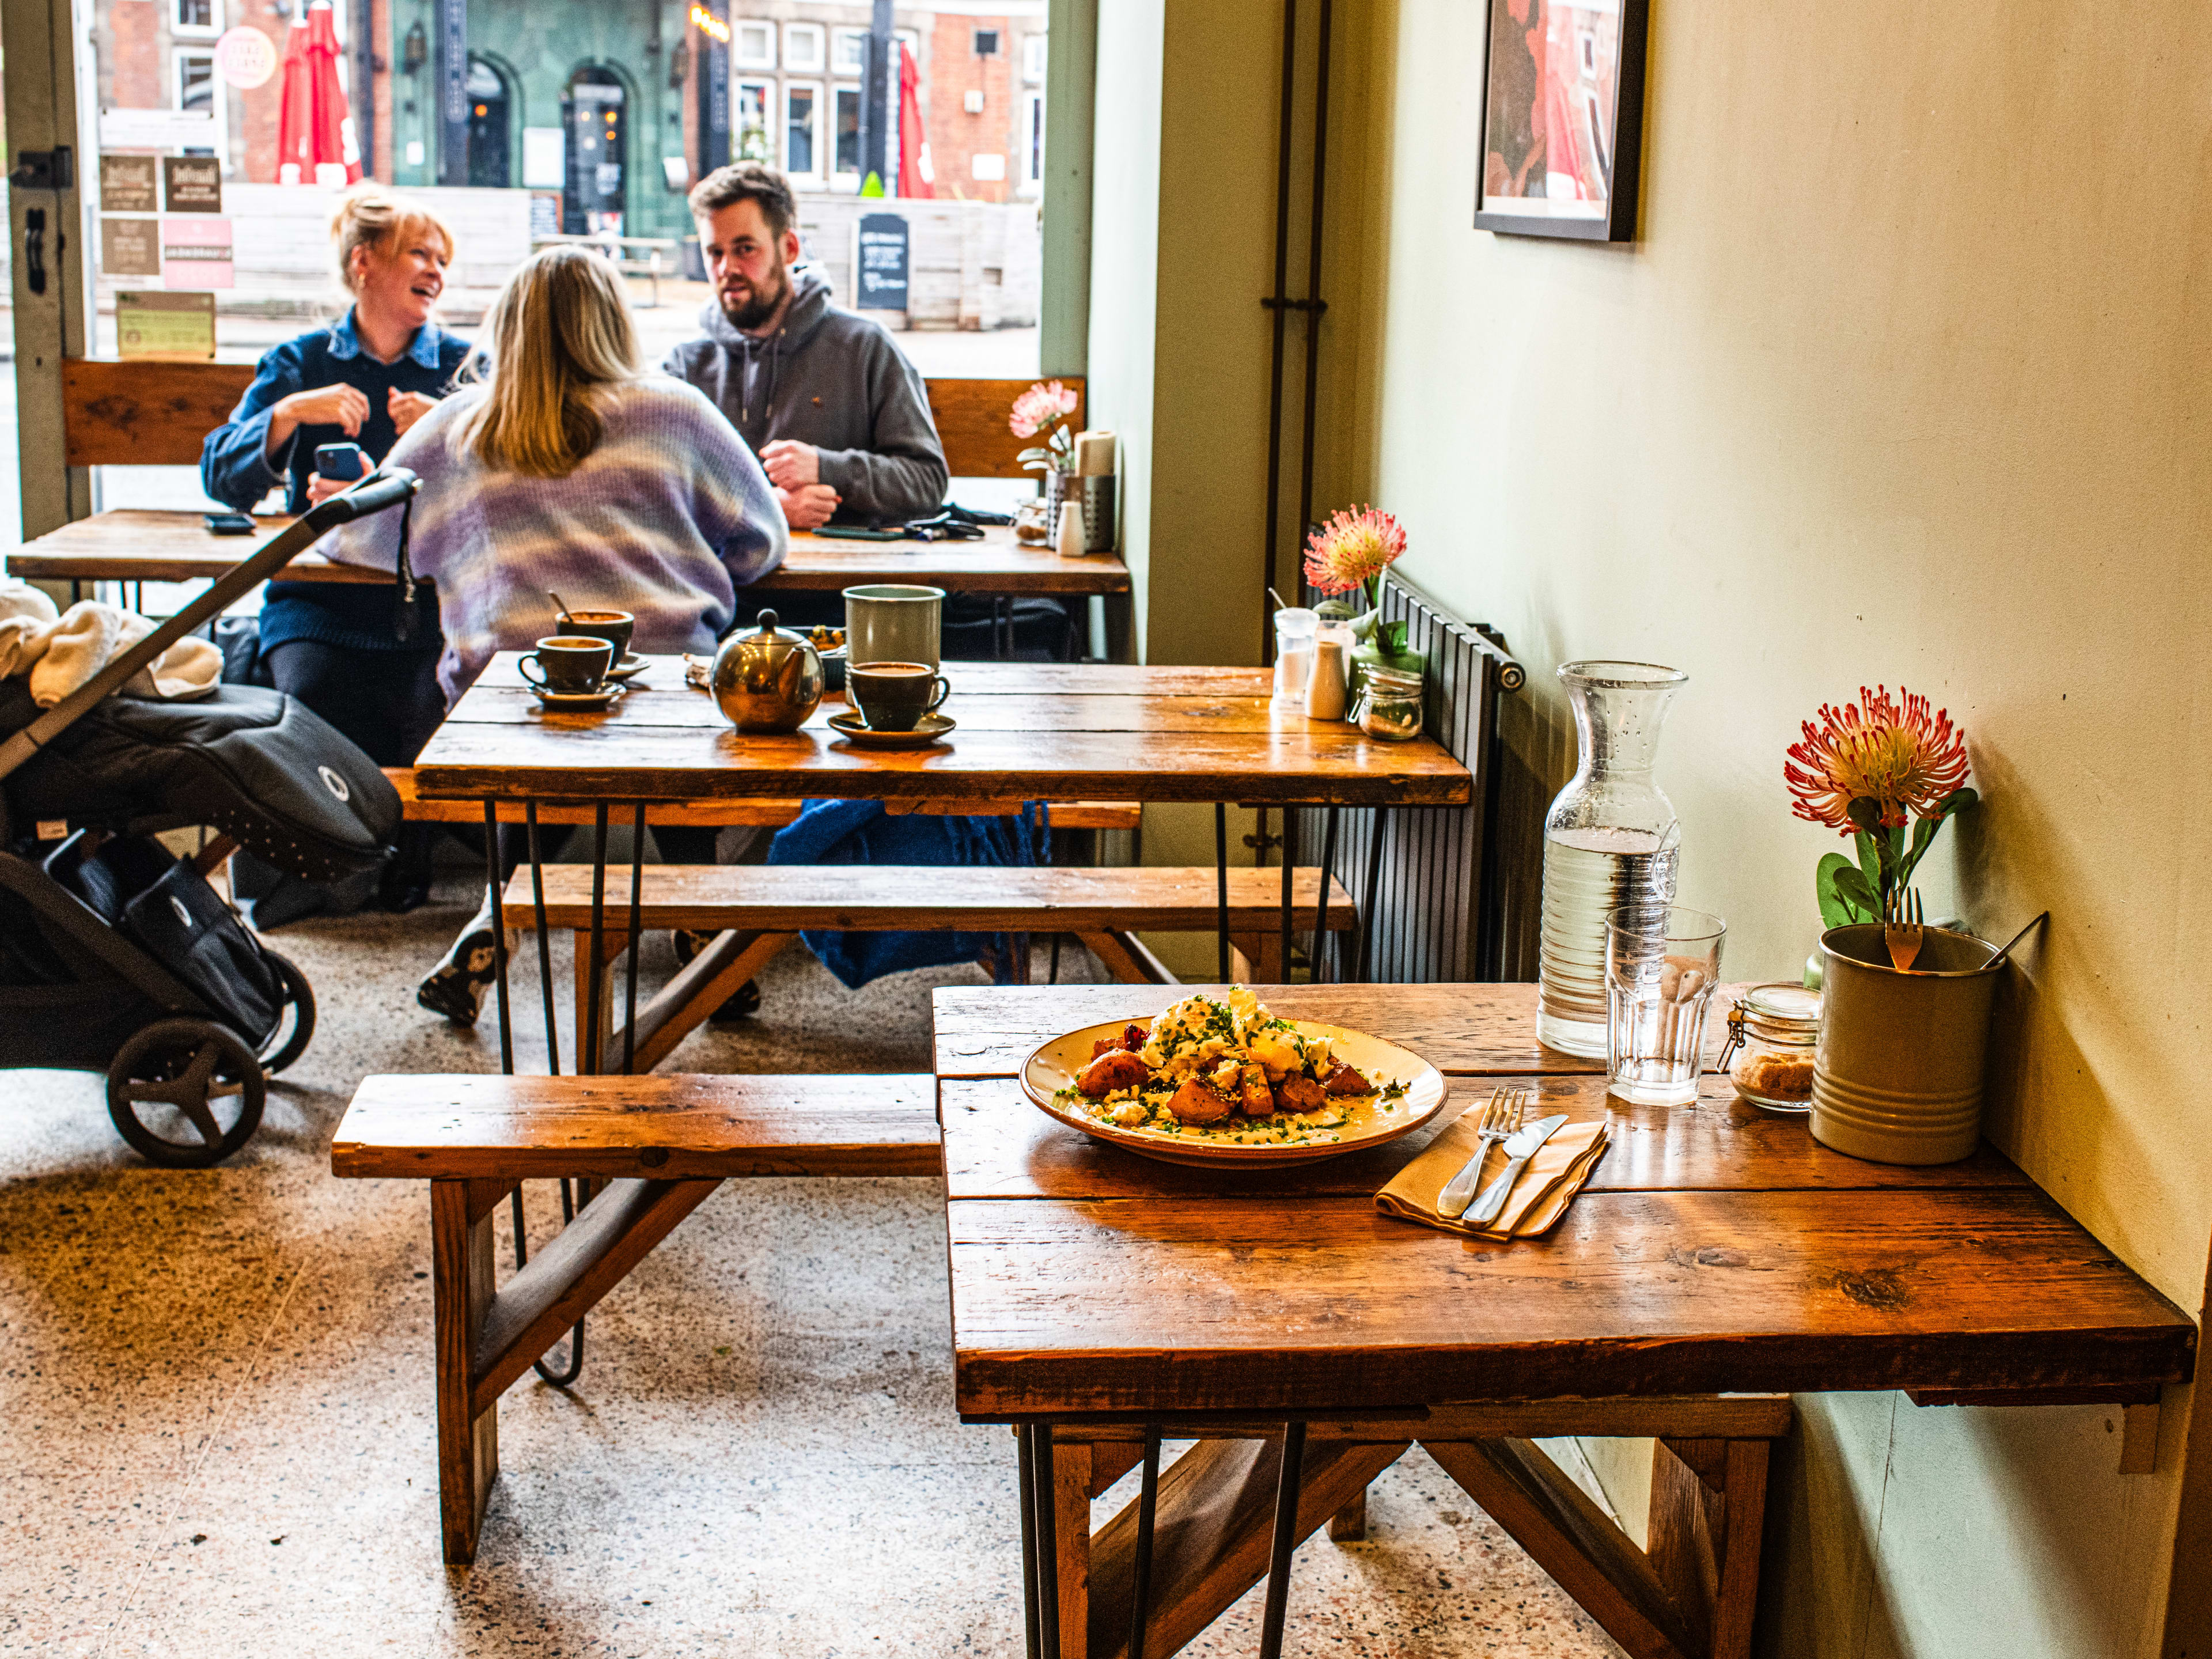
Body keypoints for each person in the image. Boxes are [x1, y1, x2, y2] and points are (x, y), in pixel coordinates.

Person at [327, 244, 787, 1021]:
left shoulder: (459, 426)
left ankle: (498, 916)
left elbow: (358, 541)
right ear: (614, 322)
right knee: (655, 754)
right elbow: (762, 541)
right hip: (661, 677)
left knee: (551, 746)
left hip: (510, 688)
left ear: (506, 328)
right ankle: (702, 929)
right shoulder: (672, 411)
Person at [202, 184, 468, 772]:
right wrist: (288, 414)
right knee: (313, 700)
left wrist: (453, 426)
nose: (436, 272)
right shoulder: (301, 362)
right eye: (421, 254)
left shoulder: (462, 367)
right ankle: (335, 860)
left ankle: (407, 869)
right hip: (317, 602)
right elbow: (220, 474)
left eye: (443, 261)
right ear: (364, 260)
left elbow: (508, 487)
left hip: (430, 606)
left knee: (437, 720)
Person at [664, 162, 948, 533]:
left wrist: (827, 468)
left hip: (843, 583)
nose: (726, 268)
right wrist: (766, 512)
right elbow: (652, 493)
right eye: (714, 253)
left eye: (745, 249)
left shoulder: (864, 348)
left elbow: (927, 482)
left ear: (790, 248)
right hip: (726, 587)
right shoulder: (685, 367)